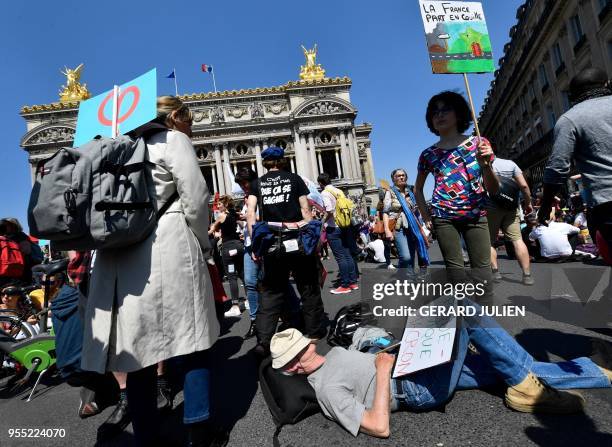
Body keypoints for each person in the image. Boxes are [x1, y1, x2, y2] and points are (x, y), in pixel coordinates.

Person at [81, 96, 221, 447]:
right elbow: (196, 196)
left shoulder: (111, 150)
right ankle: (198, 429)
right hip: (169, 246)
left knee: (137, 351)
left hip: (118, 256)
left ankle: (146, 434)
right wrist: (203, 244)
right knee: (193, 341)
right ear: (174, 116)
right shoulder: (172, 141)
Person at [270, 315, 612, 439]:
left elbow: (364, 369)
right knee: (464, 312)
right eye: (298, 355)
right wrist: (384, 369)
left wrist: (385, 354)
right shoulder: (327, 390)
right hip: (415, 388)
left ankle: (597, 372)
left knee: (500, 365)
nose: (307, 351)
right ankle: (527, 391)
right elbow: (378, 425)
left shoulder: (331, 358)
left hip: (411, 367)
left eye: (304, 345)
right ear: (291, 368)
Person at [414, 91, 499, 298]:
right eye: (434, 112)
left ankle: (484, 322)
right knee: (456, 275)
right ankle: (463, 322)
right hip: (443, 217)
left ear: (459, 114)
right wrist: (426, 218)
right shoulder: (428, 154)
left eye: (445, 110)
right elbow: (417, 189)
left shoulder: (479, 144)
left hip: (476, 214)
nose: (439, 115)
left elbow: (494, 189)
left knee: (483, 274)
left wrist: (485, 166)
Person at [246, 147, 325, 356]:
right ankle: (314, 331)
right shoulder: (294, 179)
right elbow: (305, 210)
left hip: (272, 242)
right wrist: (313, 239)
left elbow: (251, 214)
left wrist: (255, 245)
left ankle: (263, 340)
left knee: (271, 292)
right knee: (308, 286)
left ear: (265, 163)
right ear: (282, 161)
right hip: (297, 239)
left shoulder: (258, 184)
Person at [538, 68, 612, 264]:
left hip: (607, 200)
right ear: (606, 84)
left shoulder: (570, 119)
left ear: (573, 96)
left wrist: (545, 205)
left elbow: (557, 167)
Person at [486, 156, 535, 285]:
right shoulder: (510, 164)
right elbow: (524, 186)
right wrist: (528, 203)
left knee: (489, 241)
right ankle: (527, 275)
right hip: (511, 207)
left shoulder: (480, 165)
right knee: (517, 239)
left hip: (490, 208)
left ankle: (495, 272)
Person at [317, 173, 359, 294]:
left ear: (320, 183)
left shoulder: (325, 193)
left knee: (340, 257)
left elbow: (329, 210)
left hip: (333, 227)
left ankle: (345, 284)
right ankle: (352, 282)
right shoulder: (338, 190)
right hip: (345, 226)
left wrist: (322, 220)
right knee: (347, 255)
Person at [383, 169, 430, 274]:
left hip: (414, 227)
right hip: (399, 228)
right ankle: (402, 274)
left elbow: (421, 205)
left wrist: (426, 219)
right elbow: (385, 212)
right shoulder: (389, 192)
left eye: (403, 175)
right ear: (393, 179)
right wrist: (387, 230)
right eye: (398, 176)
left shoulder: (412, 190)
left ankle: (409, 280)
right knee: (405, 257)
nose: (401, 177)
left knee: (413, 255)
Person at [209, 195, 245, 318]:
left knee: (231, 276)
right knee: (242, 272)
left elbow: (211, 230)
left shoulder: (221, 216)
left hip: (229, 248)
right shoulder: (235, 214)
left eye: (219, 204)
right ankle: (250, 300)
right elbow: (243, 223)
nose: (218, 206)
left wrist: (210, 231)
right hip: (239, 246)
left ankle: (235, 305)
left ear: (225, 205)